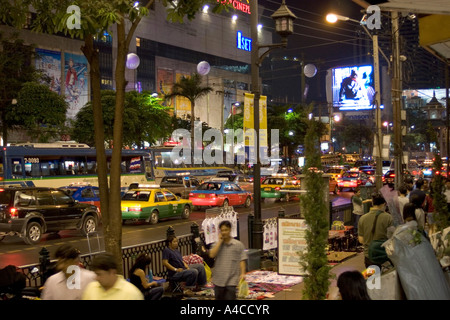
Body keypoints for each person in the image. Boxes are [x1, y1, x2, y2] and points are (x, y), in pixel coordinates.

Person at [209, 220, 247, 300]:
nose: (224, 232)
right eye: (222, 230)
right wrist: (219, 242)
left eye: (226, 230)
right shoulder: (217, 244)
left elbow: (242, 259)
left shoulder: (238, 244)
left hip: (232, 279)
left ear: (230, 230)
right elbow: (212, 255)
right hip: (219, 279)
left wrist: (242, 273)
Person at [358, 192, 394, 268]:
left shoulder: (362, 218)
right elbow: (392, 238)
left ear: (372, 203)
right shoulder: (389, 218)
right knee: (386, 278)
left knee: (372, 279)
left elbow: (361, 240)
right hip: (384, 256)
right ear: (384, 204)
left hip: (369, 255)